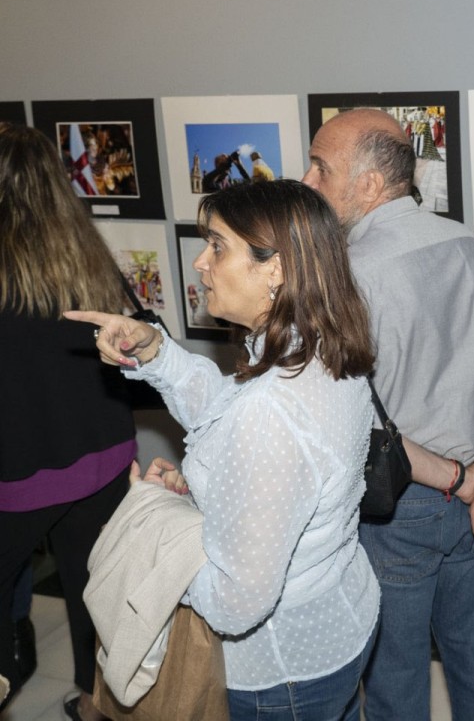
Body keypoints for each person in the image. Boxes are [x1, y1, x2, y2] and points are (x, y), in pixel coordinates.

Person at [67, 180, 380, 720]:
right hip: (337, 620)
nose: (200, 263)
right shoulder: (318, 348)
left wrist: (165, 523)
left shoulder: (272, 410)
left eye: (218, 246)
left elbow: (236, 604)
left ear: (275, 268)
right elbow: (229, 412)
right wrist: (158, 352)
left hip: (277, 672)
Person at [302, 109, 474, 721]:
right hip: (471, 492)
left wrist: (467, 477)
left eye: (322, 168)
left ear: (372, 184)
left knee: (393, 673)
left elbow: (347, 417)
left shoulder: (345, 275)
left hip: (396, 505)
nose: (308, 180)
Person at [0, 123, 136, 721]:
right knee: (97, 595)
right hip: (102, 458)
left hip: (20, 473)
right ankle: (96, 703)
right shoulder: (89, 258)